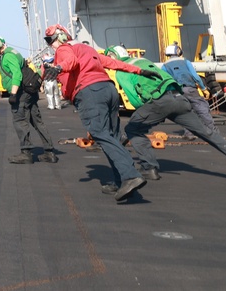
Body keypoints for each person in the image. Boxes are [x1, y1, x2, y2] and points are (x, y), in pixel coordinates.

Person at [42, 24, 158, 202]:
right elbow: (113, 63)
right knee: (111, 136)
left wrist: (58, 68)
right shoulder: (87, 49)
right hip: (108, 90)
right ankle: (122, 181)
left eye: (51, 40)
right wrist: (140, 70)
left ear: (61, 37)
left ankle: (130, 176)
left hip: (90, 92)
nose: (51, 45)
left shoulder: (65, 50)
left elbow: (70, 62)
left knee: (99, 132)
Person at [114, 54, 226, 183]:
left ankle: (149, 167)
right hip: (179, 99)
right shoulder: (146, 62)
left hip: (159, 103)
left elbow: (134, 100)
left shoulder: (121, 71)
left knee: (132, 129)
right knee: (207, 133)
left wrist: (152, 113)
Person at [0, 35, 57, 164]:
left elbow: (17, 74)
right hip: (29, 92)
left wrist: (13, 94)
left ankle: (26, 153)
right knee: (37, 121)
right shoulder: (7, 55)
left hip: (21, 93)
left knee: (20, 121)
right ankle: (49, 152)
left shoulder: (8, 56)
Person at [161, 44, 215, 132]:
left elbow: (165, 81)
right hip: (190, 89)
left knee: (186, 112)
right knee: (202, 108)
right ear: (177, 51)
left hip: (176, 92)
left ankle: (189, 134)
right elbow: (195, 77)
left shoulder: (165, 66)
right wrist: (203, 89)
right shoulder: (185, 61)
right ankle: (212, 131)